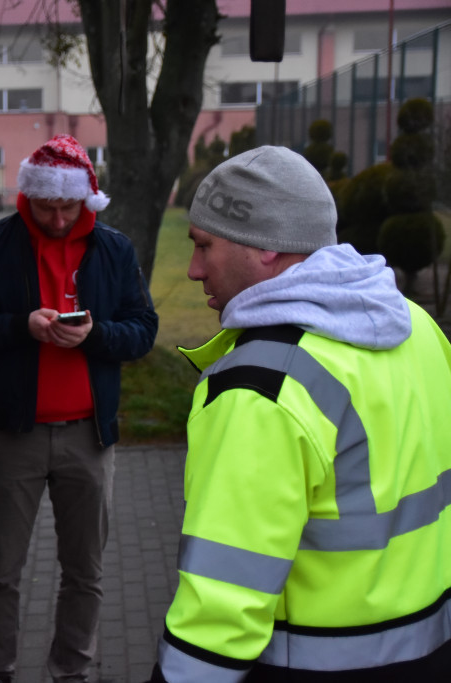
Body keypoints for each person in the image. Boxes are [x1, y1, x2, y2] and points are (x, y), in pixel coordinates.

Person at [150, 146, 451, 681]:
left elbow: (221, 610)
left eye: (203, 246)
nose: (194, 269)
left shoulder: (259, 386)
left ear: (267, 247)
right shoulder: (418, 327)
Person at [0, 134, 159, 682]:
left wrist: (94, 336)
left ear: (87, 199)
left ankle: (71, 672)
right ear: (28, 197)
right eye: (48, 206)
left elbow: (143, 331)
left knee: (85, 572)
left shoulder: (114, 249)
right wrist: (22, 326)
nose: (59, 217)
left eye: (69, 206)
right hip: (11, 433)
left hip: (89, 437)